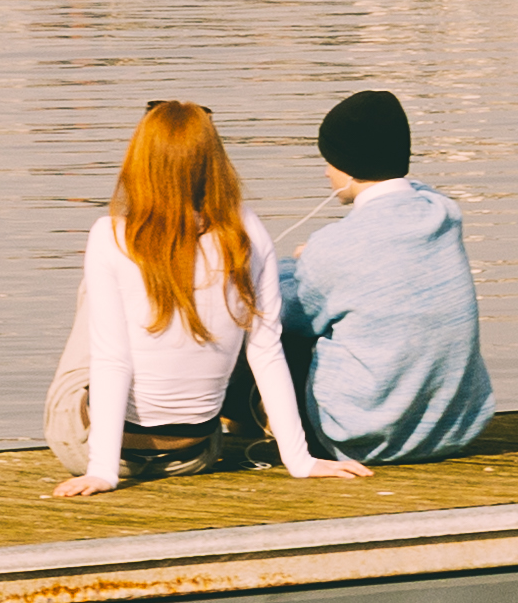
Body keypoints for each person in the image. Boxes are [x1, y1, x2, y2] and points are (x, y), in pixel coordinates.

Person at [45, 100, 355, 498]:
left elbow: (112, 360)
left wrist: (103, 471)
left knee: (99, 290)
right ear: (214, 161)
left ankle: (107, 456)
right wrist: (300, 459)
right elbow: (265, 350)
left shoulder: (110, 235)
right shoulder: (246, 232)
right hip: (193, 454)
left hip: (103, 450)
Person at [276, 87, 494, 464]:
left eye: (328, 160)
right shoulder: (443, 214)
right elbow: (415, 192)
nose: (327, 172)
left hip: (362, 440)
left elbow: (285, 314)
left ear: (346, 164)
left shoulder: (333, 245)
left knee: (277, 324)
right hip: (455, 431)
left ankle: (254, 426)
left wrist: (286, 266)